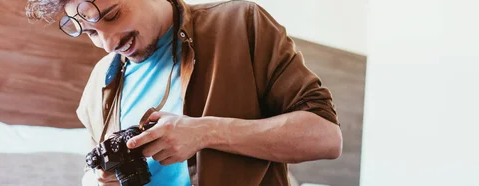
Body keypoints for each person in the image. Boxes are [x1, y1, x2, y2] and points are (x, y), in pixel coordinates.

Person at [25, 0, 343, 185]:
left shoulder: (242, 24)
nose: (109, 45)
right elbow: (92, 173)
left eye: (113, 15)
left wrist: (206, 132)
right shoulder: (99, 83)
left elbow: (326, 138)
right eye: (93, 33)